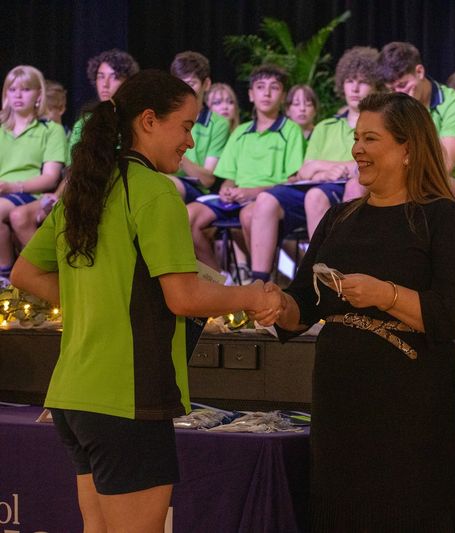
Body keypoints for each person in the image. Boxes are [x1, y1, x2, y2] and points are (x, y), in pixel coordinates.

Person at [10, 70, 271, 532]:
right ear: (149, 121)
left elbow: (24, 273)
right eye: (186, 126)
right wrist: (251, 294)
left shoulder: (89, 187)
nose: (190, 141)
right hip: (125, 398)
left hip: (73, 395)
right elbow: (184, 297)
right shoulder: (154, 191)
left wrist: (98, 300)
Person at [258, 92, 455, 530]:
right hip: (339, 398)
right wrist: (274, 305)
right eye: (356, 138)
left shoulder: (444, 219)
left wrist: (385, 294)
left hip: (410, 403)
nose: (357, 149)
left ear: (407, 149)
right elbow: (304, 305)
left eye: (370, 139)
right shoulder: (339, 218)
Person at [186, 64, 304, 275]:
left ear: (283, 96)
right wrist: (227, 189)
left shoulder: (290, 130)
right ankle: (219, 281)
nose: (266, 93)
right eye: (260, 87)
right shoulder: (240, 132)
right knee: (188, 217)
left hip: (268, 199)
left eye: (274, 87)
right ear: (251, 94)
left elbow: (293, 179)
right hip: (236, 198)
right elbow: (229, 177)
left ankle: (262, 280)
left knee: (250, 214)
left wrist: (253, 192)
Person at [346, 41, 455, 201]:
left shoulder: (453, 103)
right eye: (392, 89)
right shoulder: (389, 103)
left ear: (419, 72)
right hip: (397, 170)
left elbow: (443, 166)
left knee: (416, 182)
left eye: (403, 85)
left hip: (445, 179)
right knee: (355, 185)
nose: (398, 93)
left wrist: (413, 113)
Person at [294, 46, 380, 237]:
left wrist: (320, 165)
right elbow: (305, 171)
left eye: (363, 82)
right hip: (324, 187)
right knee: (314, 195)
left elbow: (374, 165)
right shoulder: (325, 126)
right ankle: (320, 256)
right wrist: (326, 172)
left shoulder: (381, 125)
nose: (355, 89)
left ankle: (348, 253)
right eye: (349, 81)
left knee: (354, 186)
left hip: (366, 186)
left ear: (376, 85)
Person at [0, 65, 67, 281]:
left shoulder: (50, 130)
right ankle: (7, 273)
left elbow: (50, 177)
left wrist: (13, 186)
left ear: (39, 94)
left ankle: (5, 276)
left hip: (30, 194)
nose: (18, 95)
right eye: (12, 89)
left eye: (26, 89)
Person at [168, 51, 231, 202]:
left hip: (197, 191)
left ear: (206, 84)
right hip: (162, 178)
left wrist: (178, 155)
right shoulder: (165, 117)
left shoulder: (218, 124)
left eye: (191, 84)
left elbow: (207, 179)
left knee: (162, 184)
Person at [67, 49, 140, 166]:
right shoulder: (85, 122)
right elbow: (73, 166)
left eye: (114, 77)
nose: (105, 84)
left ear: (128, 82)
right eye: (101, 77)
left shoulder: (138, 120)